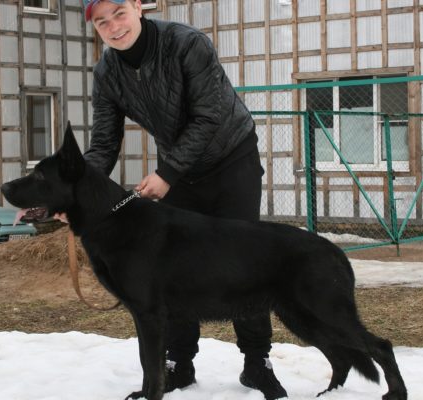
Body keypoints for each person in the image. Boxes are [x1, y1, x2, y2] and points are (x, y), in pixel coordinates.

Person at [81, 1, 288, 399]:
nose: (113, 27)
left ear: (138, 6)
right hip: (180, 171)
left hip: (231, 159)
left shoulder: (186, 43)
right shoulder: (106, 72)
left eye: (119, 13)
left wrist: (166, 174)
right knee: (172, 267)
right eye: (102, 22)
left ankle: (256, 362)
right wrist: (78, 192)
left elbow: (209, 115)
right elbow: (104, 142)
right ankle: (179, 363)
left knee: (243, 260)